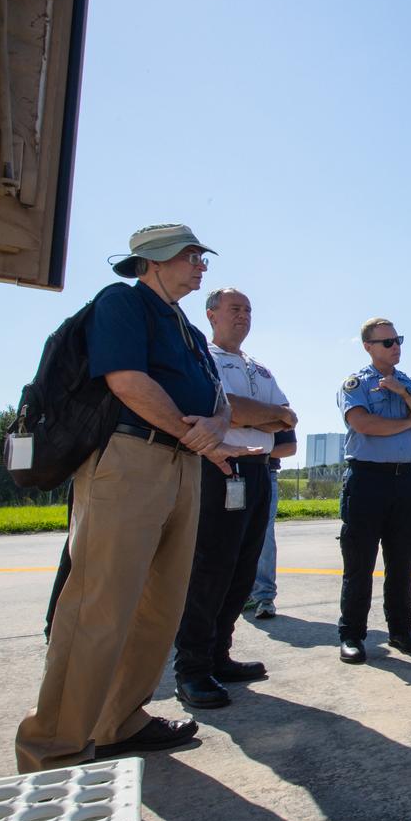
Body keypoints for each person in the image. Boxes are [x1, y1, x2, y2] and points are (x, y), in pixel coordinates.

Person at [16, 223, 253, 771]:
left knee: (159, 606)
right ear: (154, 261)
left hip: (182, 463)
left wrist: (212, 429)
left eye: (201, 257)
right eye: (191, 256)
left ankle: (118, 722)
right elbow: (126, 380)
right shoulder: (122, 302)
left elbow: (217, 398)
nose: (200, 266)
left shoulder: (189, 329)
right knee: (99, 605)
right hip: (129, 459)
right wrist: (188, 430)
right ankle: (53, 745)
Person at [172, 288, 297, 710]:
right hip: (220, 469)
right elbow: (226, 408)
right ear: (211, 314)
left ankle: (219, 656)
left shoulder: (259, 368)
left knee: (243, 571)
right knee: (211, 569)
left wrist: (254, 413)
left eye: (247, 310)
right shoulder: (201, 357)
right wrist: (260, 414)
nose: (242, 315)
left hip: (260, 471)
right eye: (234, 308)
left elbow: (288, 417)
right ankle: (191, 669)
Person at [336, 318, 411, 664]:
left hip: (404, 481)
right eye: (386, 342)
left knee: (403, 560)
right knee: (359, 562)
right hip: (366, 479)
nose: (395, 346)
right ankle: (352, 634)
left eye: (398, 340)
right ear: (368, 346)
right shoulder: (357, 384)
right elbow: (364, 424)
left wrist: (403, 394)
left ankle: (401, 629)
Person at [245, 428, 297, 620]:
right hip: (225, 470)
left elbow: (290, 447)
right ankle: (236, 593)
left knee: (264, 536)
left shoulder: (276, 400)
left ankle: (264, 596)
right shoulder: (227, 397)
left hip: (265, 471)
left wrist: (248, 450)